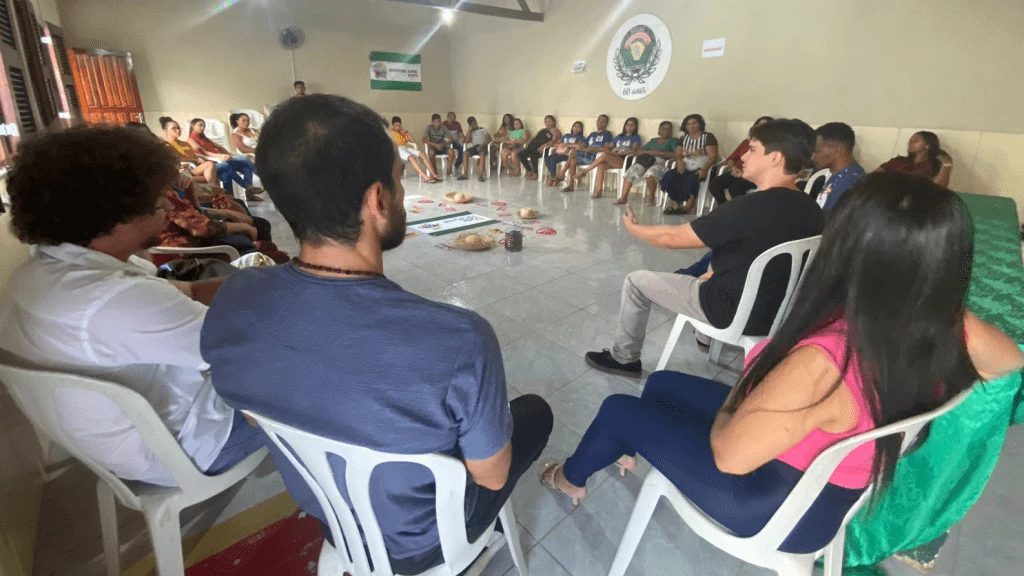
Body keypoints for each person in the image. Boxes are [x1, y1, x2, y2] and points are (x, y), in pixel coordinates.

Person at [540, 174, 1024, 559]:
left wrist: (747, 387)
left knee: (619, 409)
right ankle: (626, 450)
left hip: (776, 505)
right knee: (662, 383)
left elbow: (730, 456)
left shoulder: (825, 361)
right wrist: (927, 291)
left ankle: (568, 479)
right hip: (825, 474)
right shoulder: (934, 328)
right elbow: (1011, 359)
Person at [201, 95, 554, 574]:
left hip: (329, 518)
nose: (403, 195)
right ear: (377, 199)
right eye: (399, 180)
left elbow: (253, 418)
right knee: (534, 412)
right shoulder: (458, 338)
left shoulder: (233, 299)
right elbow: (491, 479)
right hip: (422, 544)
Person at [0, 126, 266, 487]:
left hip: (117, 443)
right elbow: (245, 348)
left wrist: (251, 283)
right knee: (312, 379)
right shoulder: (118, 301)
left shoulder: (39, 272)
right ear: (116, 217)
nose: (168, 209)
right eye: (158, 203)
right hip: (183, 449)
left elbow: (185, 291)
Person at [583, 118, 825, 378]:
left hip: (729, 310)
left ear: (775, 158)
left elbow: (671, 238)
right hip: (778, 314)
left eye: (752, 149)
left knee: (636, 282)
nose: (743, 155)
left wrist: (635, 229)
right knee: (710, 267)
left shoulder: (748, 207)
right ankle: (704, 338)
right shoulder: (811, 207)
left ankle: (623, 359)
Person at [709, 116, 773, 205]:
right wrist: (733, 168)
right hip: (738, 172)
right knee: (714, 184)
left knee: (735, 188)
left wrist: (747, 174)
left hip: (755, 176)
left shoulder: (772, 146)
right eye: (759, 126)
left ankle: (741, 212)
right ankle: (724, 207)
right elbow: (731, 159)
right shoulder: (746, 143)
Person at [573, 117, 641, 199]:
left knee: (605, 155)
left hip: (624, 160)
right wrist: (607, 149)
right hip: (614, 158)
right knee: (601, 165)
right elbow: (608, 147)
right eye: (627, 124)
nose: (629, 127)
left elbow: (633, 151)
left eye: (632, 125)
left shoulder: (636, 137)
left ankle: (585, 171)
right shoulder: (619, 136)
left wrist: (621, 152)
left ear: (635, 127)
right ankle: (598, 192)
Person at [619, 120, 678, 205]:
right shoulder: (653, 141)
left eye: (668, 129)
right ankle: (623, 198)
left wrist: (660, 153)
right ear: (659, 131)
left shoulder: (673, 141)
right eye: (663, 128)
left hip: (661, 162)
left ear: (671, 131)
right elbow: (638, 151)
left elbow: (677, 154)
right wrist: (650, 152)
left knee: (651, 173)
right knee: (632, 170)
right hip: (646, 161)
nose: (665, 131)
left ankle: (651, 198)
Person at [812, 122, 867, 212]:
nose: (813, 156)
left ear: (837, 150)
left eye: (817, 150)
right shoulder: (839, 175)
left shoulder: (851, 182)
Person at [558, 114, 613, 192]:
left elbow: (606, 149)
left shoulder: (607, 134)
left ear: (606, 124)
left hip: (595, 157)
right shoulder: (592, 134)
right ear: (596, 121)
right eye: (599, 120)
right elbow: (583, 144)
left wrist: (593, 149)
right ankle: (571, 185)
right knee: (573, 160)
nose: (600, 123)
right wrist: (582, 146)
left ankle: (563, 172)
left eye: (603, 121)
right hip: (586, 155)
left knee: (573, 152)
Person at [876, 131, 953, 188]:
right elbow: (874, 175)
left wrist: (947, 162)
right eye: (910, 141)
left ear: (927, 144)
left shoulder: (934, 165)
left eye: (915, 141)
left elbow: (938, 187)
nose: (910, 143)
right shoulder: (898, 160)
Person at [391, 116, 441, 183]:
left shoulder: (402, 132)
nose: (398, 127)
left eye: (399, 125)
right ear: (393, 125)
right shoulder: (391, 132)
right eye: (396, 125)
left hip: (405, 148)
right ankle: (425, 177)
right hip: (398, 149)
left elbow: (413, 141)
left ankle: (434, 175)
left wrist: (406, 133)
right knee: (412, 158)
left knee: (422, 154)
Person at [518, 115, 561, 181]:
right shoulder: (542, 130)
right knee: (520, 154)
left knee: (533, 155)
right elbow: (533, 137)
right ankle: (530, 170)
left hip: (543, 150)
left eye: (549, 121)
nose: (548, 123)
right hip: (533, 147)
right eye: (546, 121)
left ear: (554, 122)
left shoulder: (556, 131)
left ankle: (535, 174)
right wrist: (528, 143)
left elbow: (553, 141)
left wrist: (544, 145)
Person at [544, 121, 586, 187]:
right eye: (574, 126)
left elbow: (579, 146)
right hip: (560, 152)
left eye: (578, 127)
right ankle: (555, 177)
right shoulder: (566, 135)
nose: (576, 128)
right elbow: (556, 143)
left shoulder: (581, 137)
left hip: (568, 155)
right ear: (572, 128)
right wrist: (561, 145)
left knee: (553, 159)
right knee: (547, 159)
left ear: (581, 129)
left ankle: (553, 178)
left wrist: (567, 146)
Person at [422, 113, 456, 178]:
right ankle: (435, 172)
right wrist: (435, 145)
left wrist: (442, 145)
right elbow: (423, 140)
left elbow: (452, 140)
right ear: (432, 122)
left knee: (451, 152)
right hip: (433, 147)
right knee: (431, 154)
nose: (437, 124)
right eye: (435, 122)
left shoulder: (444, 128)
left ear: (441, 121)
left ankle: (449, 170)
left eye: (439, 122)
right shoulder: (429, 128)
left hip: (443, 146)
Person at [459, 116, 491, 182]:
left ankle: (481, 175)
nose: (474, 124)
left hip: (483, 146)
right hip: (475, 147)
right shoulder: (470, 132)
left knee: (482, 154)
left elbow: (489, 139)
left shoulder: (482, 129)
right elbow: (467, 141)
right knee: (465, 153)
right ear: (470, 125)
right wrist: (469, 130)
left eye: (474, 122)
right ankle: (465, 174)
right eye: (472, 124)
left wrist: (482, 145)